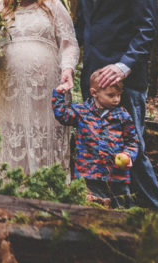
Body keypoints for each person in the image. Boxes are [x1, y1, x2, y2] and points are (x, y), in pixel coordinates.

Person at [64, 0, 158, 209]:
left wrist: (123, 66)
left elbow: (147, 29)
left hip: (126, 83)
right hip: (93, 83)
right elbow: (82, 27)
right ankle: (105, 209)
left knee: (131, 149)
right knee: (94, 147)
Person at [0, 0, 79, 174]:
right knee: (13, 136)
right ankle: (14, 190)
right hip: (10, 90)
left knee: (44, 135)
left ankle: (49, 189)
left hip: (46, 90)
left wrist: (67, 69)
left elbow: (69, 43)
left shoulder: (52, 5)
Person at [51, 80, 138, 208]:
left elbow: (132, 140)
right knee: (95, 206)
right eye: (111, 95)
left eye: (119, 95)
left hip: (116, 173)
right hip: (89, 171)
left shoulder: (122, 115)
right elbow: (62, 115)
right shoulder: (81, 111)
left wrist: (128, 154)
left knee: (122, 206)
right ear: (94, 93)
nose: (116, 100)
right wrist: (59, 93)